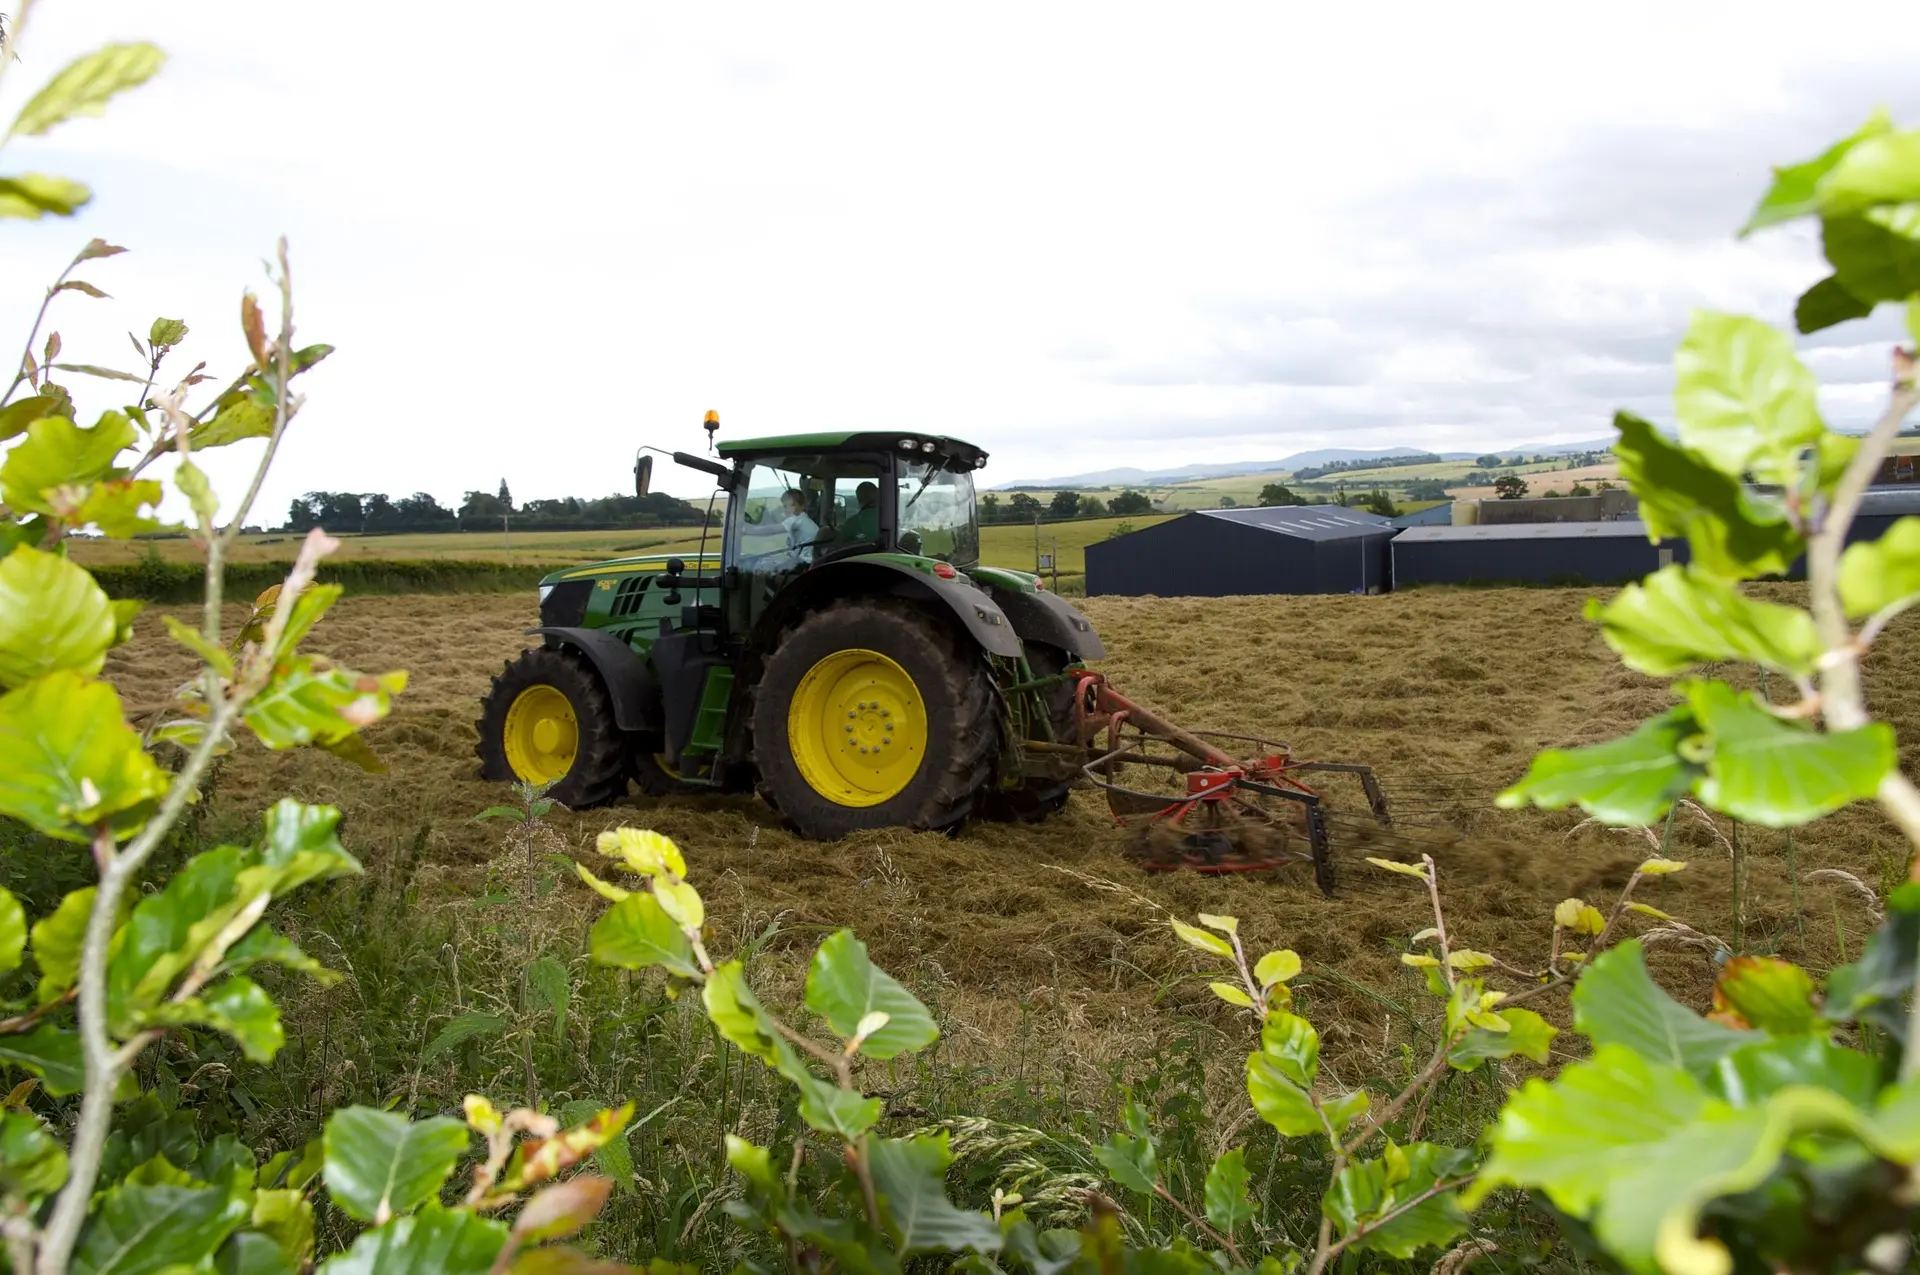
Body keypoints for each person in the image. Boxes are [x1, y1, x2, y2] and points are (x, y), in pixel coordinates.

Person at [780, 489, 818, 565]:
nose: (787, 509)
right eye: (785, 506)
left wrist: (750, 529)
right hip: (810, 562)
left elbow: (769, 530)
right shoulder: (806, 520)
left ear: (802, 506)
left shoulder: (796, 520)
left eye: (793, 505)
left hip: (802, 564)